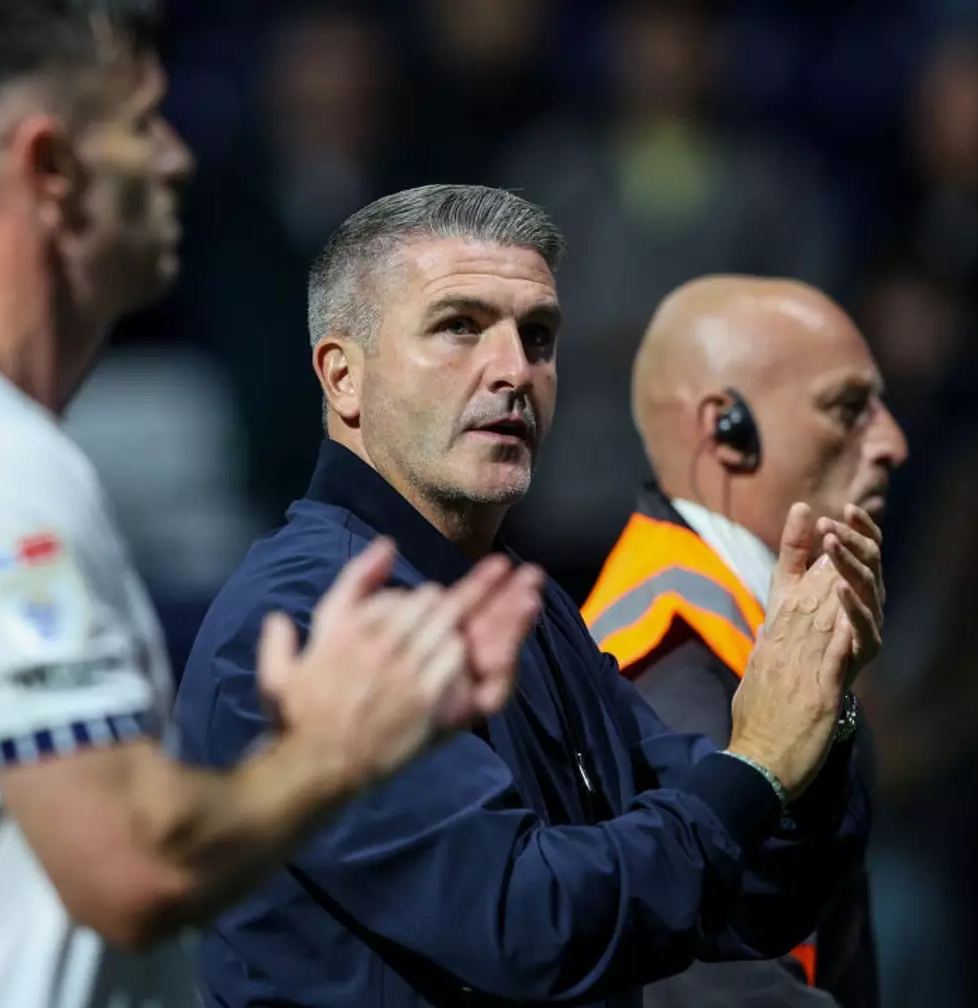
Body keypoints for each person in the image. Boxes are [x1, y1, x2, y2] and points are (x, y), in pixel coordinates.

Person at [0, 6, 543, 1008]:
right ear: (51, 167)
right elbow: (136, 866)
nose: (176, 160)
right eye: (143, 123)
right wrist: (343, 744)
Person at [174, 184, 885, 1008]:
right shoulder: (304, 619)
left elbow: (745, 896)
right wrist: (759, 765)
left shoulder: (530, 605)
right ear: (343, 378)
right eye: (459, 327)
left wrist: (814, 710)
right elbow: (527, 926)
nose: (516, 371)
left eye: (538, 338)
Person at [581, 277, 909, 1007]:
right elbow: (707, 980)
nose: (892, 441)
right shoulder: (662, 655)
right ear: (725, 428)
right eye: (848, 407)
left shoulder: (738, 616)